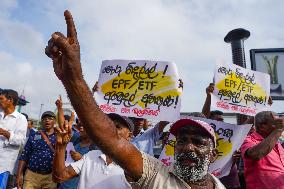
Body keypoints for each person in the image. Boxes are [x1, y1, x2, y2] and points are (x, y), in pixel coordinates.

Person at [45, 10, 225, 188]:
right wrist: (73, 79)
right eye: (182, 140)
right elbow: (108, 139)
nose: (187, 147)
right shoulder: (154, 175)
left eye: (198, 142)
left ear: (213, 155)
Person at [53, 113, 133, 189]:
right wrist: (61, 146)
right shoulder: (91, 156)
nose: (111, 129)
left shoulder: (135, 165)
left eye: (117, 127)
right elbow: (59, 177)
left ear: (129, 136)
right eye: (109, 126)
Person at [241, 111, 284, 189]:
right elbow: (256, 154)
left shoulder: (276, 142)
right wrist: (278, 130)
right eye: (276, 123)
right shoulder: (249, 140)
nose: (280, 126)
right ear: (262, 126)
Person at [16, 111, 59, 189]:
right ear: (41, 122)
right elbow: (24, 155)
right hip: (31, 176)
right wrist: (19, 174)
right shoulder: (34, 135)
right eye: (44, 119)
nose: (47, 120)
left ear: (54, 121)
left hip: (50, 178)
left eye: (50, 118)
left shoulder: (59, 138)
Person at [0, 89, 27, 188]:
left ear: (10, 100)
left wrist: (5, 133)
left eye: (1, 99)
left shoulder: (21, 119)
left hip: (3, 166)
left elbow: (21, 141)